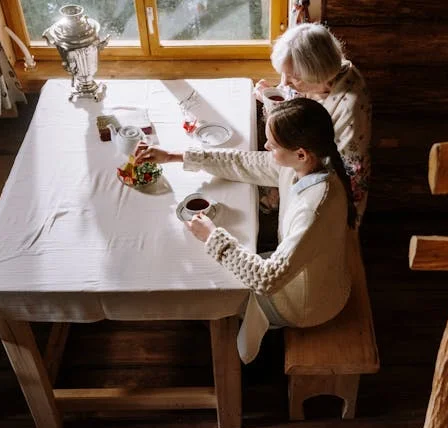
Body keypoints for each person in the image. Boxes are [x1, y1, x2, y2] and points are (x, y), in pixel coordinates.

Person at [134, 98, 357, 364]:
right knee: (222, 259)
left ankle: (226, 352)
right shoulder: (311, 163)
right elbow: (245, 162)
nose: (266, 148)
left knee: (213, 284)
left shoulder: (314, 207)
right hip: (313, 276)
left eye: (272, 146)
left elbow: (267, 279)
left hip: (307, 303)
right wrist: (174, 156)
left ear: (300, 153)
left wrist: (213, 237)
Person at [254, 22, 372, 224]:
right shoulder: (319, 75)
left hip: (328, 189)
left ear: (317, 74)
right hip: (299, 163)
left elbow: (349, 174)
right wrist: (270, 98)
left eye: (294, 77)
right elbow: (296, 108)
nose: (286, 83)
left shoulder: (349, 109)